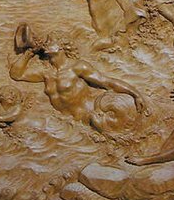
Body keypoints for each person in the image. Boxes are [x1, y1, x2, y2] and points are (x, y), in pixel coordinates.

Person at [9, 23, 147, 125]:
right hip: (66, 123)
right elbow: (17, 75)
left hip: (88, 119)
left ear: (61, 47)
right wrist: (29, 53)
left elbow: (107, 82)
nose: (45, 43)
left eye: (50, 41)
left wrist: (135, 94)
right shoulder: (47, 72)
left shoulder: (77, 67)